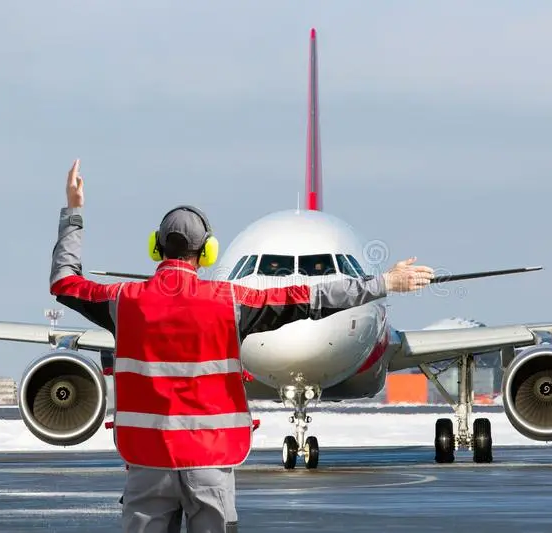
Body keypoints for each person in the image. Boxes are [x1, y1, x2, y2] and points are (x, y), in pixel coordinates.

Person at [49, 160, 435, 533]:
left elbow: (65, 282)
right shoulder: (231, 304)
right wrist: (383, 283)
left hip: (146, 461)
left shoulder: (124, 302)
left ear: (156, 247)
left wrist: (74, 213)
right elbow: (313, 298)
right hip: (210, 461)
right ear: (208, 253)